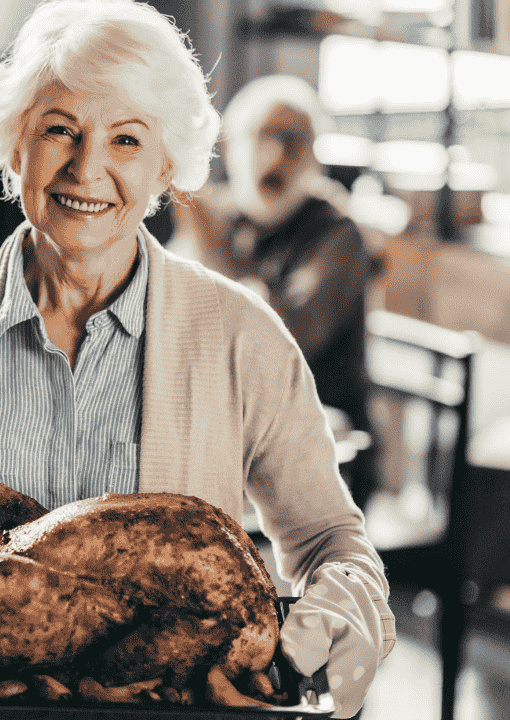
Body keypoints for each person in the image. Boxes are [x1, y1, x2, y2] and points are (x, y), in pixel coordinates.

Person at [0, 2, 394, 719]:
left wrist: (344, 605)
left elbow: (328, 540)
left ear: (167, 165)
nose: (87, 167)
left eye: (126, 139)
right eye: (59, 129)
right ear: (14, 145)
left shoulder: (243, 336)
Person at [180, 74, 377, 511]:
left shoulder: (338, 235)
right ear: (231, 149)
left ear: (315, 157)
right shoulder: (223, 217)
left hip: (320, 456)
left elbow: (293, 337)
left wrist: (215, 254)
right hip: (228, 434)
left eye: (294, 140)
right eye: (262, 136)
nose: (278, 154)